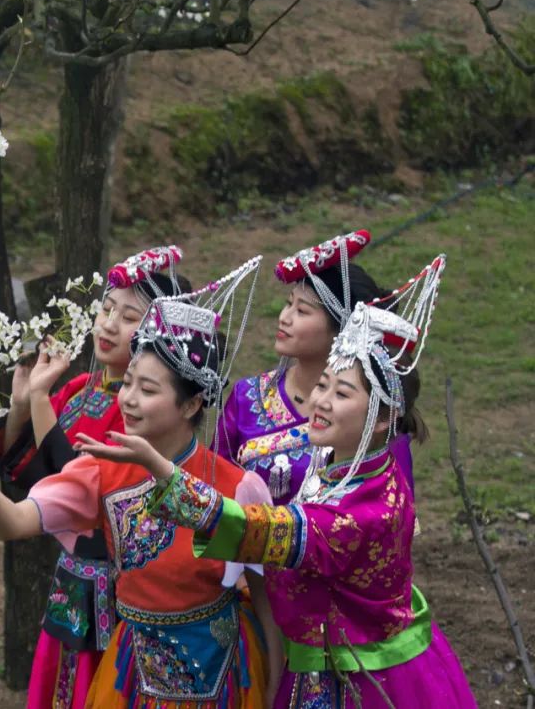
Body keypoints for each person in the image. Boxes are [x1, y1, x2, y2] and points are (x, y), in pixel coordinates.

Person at [84, 255, 477, 707]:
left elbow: (259, 530)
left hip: (360, 678)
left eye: (341, 393)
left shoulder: (365, 512)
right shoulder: (344, 467)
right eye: (322, 386)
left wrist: (163, 470)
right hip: (312, 656)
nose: (320, 402)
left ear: (384, 417)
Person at [0, 258, 281, 708]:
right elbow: (12, 523)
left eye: (148, 391)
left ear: (191, 405)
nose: (128, 399)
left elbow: (267, 602)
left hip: (225, 675)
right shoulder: (100, 470)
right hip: (131, 674)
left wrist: (274, 686)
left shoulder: (239, 487)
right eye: (128, 383)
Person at [0, 246, 190, 708]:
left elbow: (79, 485)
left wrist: (39, 401)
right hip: (72, 581)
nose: (109, 325)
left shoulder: (142, 414)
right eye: (106, 309)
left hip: (117, 585)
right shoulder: (79, 390)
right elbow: (32, 475)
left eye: (128, 317)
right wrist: (23, 404)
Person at [213, 231, 414, 504]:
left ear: (342, 328)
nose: (284, 318)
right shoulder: (247, 396)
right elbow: (213, 488)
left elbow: (394, 510)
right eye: (288, 304)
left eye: (302, 311)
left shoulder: (371, 419)